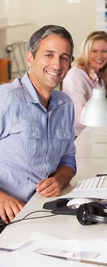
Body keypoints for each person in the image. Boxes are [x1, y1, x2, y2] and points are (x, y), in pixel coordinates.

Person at [0, 25, 77, 225]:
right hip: (8, 216)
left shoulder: (65, 104)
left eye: (64, 57)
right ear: (29, 58)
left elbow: (68, 160)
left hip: (42, 209)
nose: (57, 64)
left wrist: (59, 180)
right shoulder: (7, 99)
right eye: (49, 55)